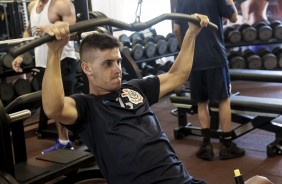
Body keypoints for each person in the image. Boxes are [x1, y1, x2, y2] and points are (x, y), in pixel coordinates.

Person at [41, 13, 273, 184]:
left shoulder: (135, 89)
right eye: (108, 63)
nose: (117, 69)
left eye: (118, 62)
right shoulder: (86, 106)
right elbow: (54, 108)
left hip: (184, 181)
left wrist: (192, 33)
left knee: (261, 181)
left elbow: (177, 75)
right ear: (87, 68)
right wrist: (54, 51)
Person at [173, 0, 245, 161]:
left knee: (201, 102)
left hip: (193, 59)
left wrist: (186, 50)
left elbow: (176, 28)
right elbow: (234, 18)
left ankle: (206, 146)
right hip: (215, 57)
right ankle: (227, 145)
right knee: (224, 100)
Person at [11, 0, 77, 154]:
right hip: (43, 63)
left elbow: (74, 33)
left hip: (63, 59)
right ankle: (64, 140)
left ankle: (69, 140)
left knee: (63, 104)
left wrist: (50, 29)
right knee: (52, 104)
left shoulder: (62, 4)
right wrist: (21, 55)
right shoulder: (32, 6)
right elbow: (29, 31)